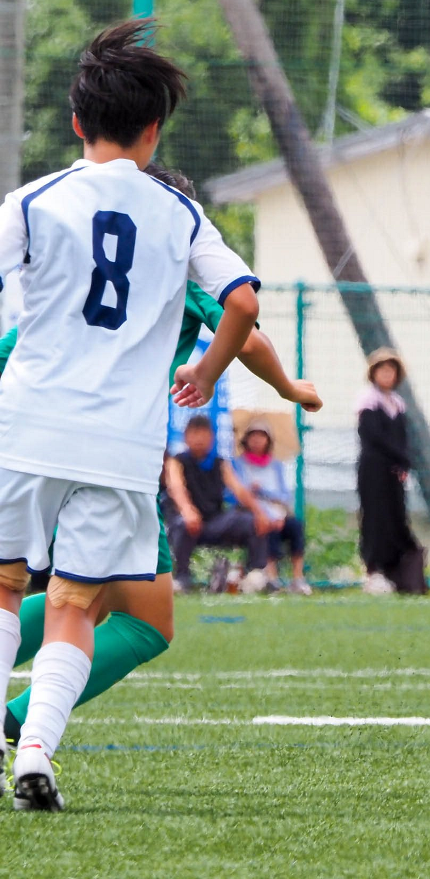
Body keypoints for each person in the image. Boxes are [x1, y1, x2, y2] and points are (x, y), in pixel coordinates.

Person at [0, 19, 260, 810]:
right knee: (77, 603)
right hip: (123, 442)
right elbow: (244, 301)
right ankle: (36, 750)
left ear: (78, 122)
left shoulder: (29, 201)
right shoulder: (179, 214)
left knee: (7, 588)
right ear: (154, 132)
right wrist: (204, 370)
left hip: (27, 421)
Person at [1, 162, 322, 754]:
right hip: (118, 456)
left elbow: (12, 349)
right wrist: (287, 387)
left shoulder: (69, 282)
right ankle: (23, 727)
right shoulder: (171, 264)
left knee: (50, 589)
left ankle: (21, 723)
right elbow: (245, 326)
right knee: (137, 617)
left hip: (34, 442)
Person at [165, 415, 273, 590]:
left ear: (212, 438)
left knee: (252, 521)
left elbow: (239, 490)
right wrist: (187, 510)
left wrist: (260, 513)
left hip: (214, 522)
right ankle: (182, 577)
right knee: (183, 524)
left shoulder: (220, 463)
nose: (199, 439)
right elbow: (176, 488)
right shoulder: (176, 462)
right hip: (187, 522)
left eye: (204, 434)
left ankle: (255, 574)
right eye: (194, 434)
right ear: (186, 437)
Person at [357, 349, 425, 595]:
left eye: (391, 369)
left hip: (394, 473)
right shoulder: (368, 402)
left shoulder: (397, 403)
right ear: (373, 373)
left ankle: (399, 574)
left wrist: (404, 464)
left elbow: (402, 438)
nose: (387, 374)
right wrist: (400, 457)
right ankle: (374, 570)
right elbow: (373, 437)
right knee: (375, 518)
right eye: (382, 369)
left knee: (396, 518)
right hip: (374, 470)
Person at [233, 418, 310, 594]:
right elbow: (235, 495)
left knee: (295, 526)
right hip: (252, 513)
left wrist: (268, 496)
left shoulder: (276, 465)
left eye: (261, 436)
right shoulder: (238, 464)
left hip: (277, 512)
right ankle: (272, 577)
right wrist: (250, 492)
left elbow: (284, 495)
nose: (257, 441)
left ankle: (298, 578)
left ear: (268, 440)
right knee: (268, 529)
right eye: (253, 436)